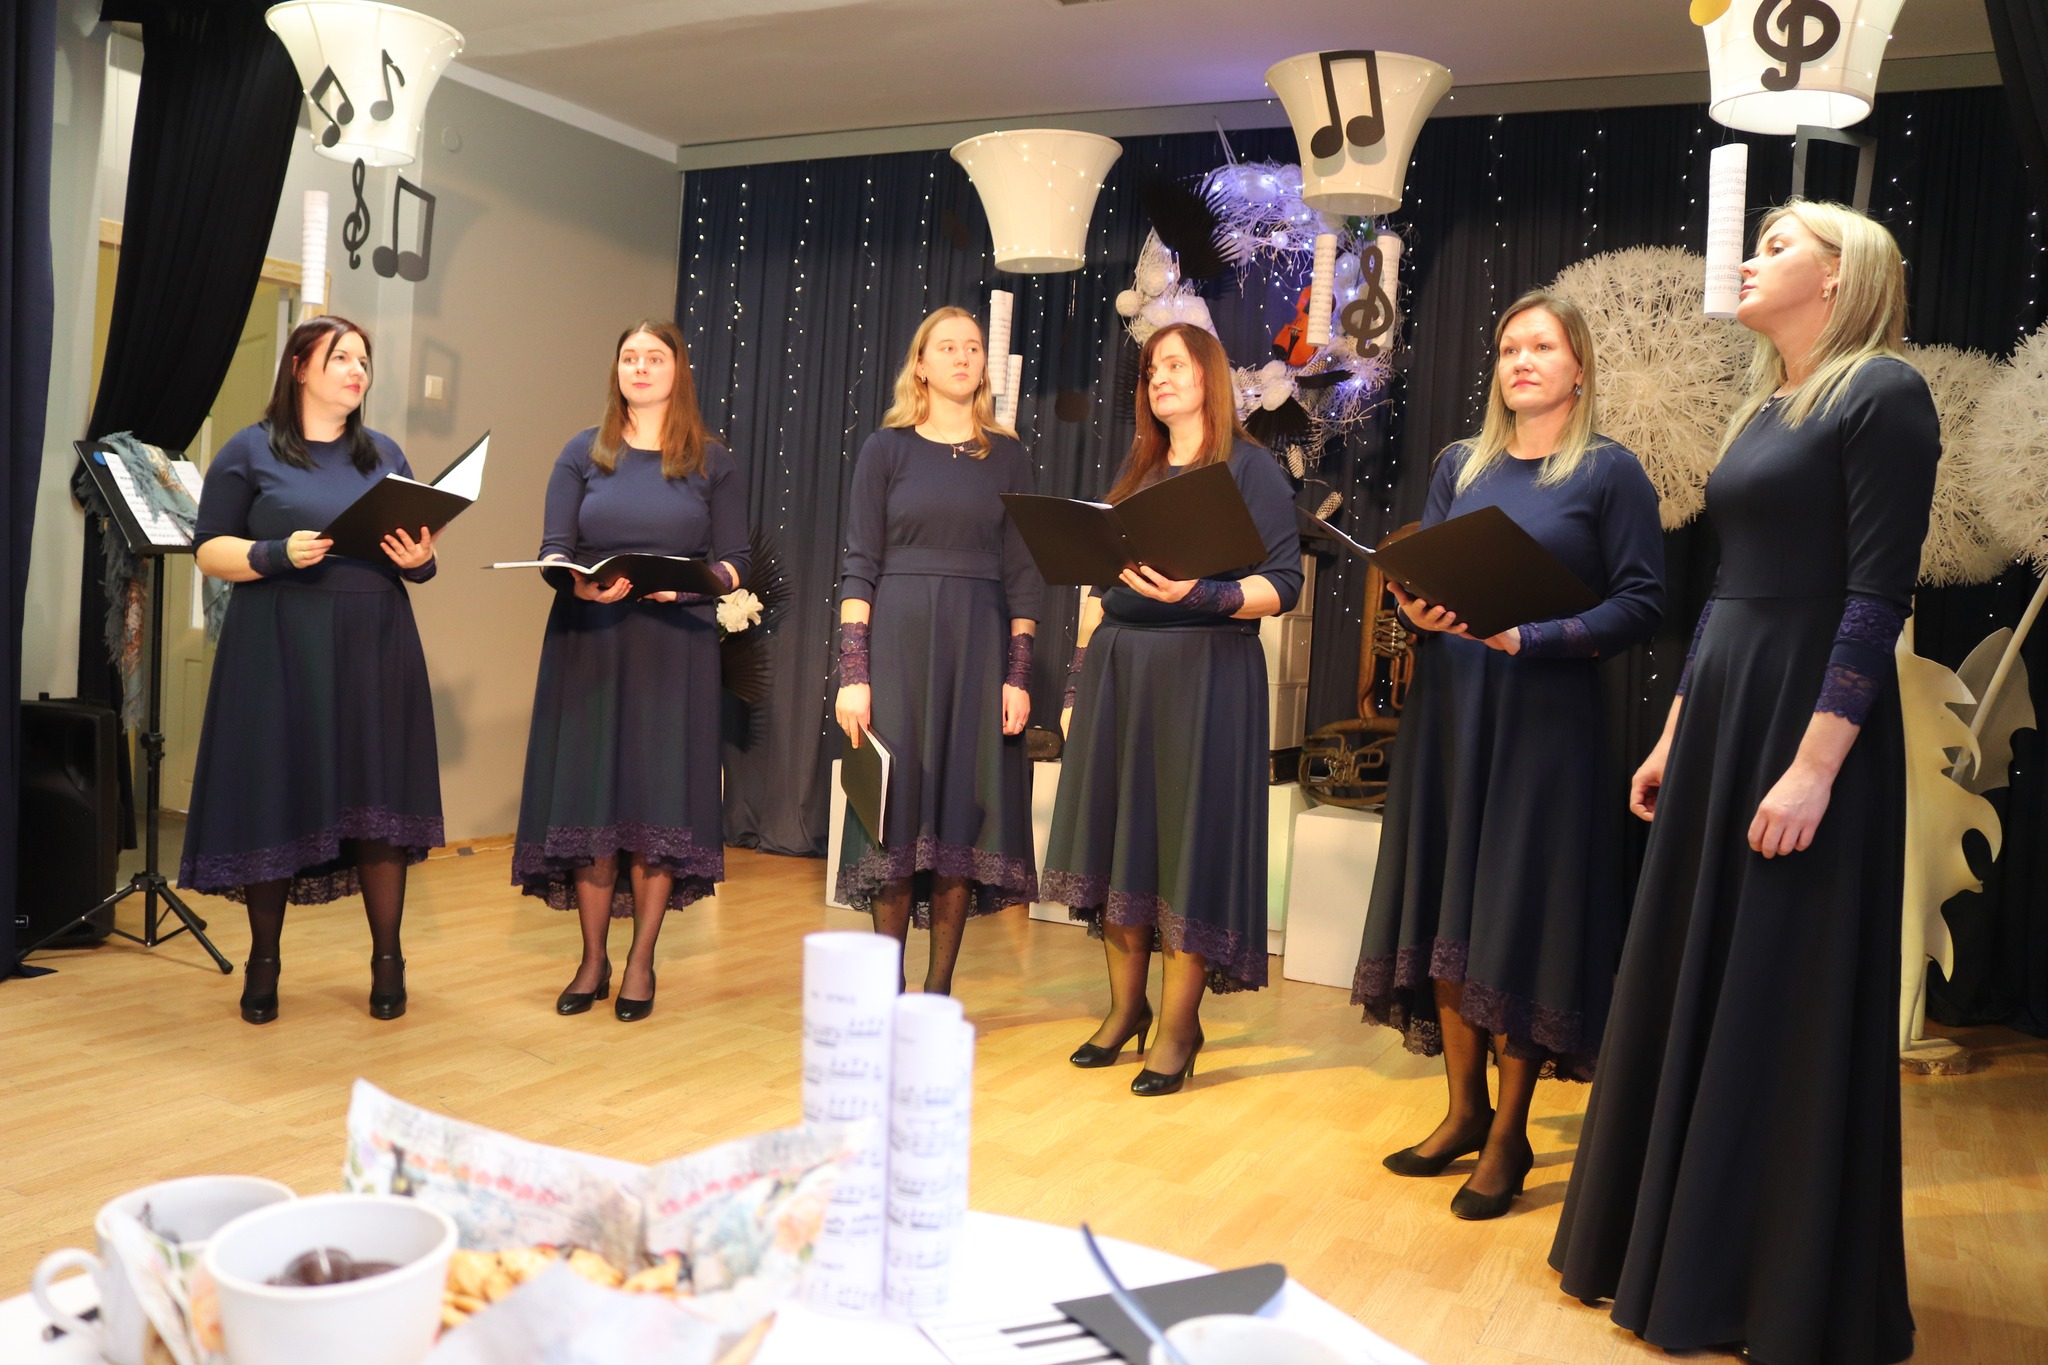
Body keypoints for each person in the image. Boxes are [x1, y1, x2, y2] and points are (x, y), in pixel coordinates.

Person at [1550, 202, 1940, 1365]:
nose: (1750, 258)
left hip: (1805, 716)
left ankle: (1760, 1289)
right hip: (1728, 708)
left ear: (1839, 277)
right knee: (1694, 971)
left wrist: (1814, 769)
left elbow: (1874, 598)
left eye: (1777, 245)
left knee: (1776, 986)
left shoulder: (1881, 394)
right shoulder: (1766, 405)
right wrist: (1675, 735)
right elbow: (1725, 592)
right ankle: (1670, 1253)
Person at [1350, 290, 1664, 1219]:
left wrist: (1538, 636)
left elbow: (1643, 603)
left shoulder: (1610, 472)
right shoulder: (1461, 464)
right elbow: (1429, 581)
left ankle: (1510, 1135)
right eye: (1508, 348)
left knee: (1519, 916)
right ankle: (1462, 1111)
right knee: (1450, 905)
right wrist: (1415, 608)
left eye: (1541, 346)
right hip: (1453, 711)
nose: (1521, 360)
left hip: (1544, 720)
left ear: (1579, 368)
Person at [1042, 321, 1302, 1096]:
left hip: (1206, 676)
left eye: (1176, 365)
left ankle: (1180, 1028)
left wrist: (1205, 593)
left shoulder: (1250, 468)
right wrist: (1078, 679)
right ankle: (1127, 1009)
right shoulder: (1142, 470)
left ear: (1209, 376)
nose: (1159, 377)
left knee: (1187, 848)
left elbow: (1284, 583)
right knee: (1122, 842)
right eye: (1152, 368)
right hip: (1122, 672)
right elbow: (1101, 585)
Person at [181, 316, 443, 1025]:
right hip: (278, 644)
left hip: (374, 642)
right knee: (276, 790)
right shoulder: (249, 450)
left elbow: (415, 551)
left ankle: (388, 961)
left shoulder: (384, 454)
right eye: (341, 357)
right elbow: (208, 550)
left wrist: (421, 560)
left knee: (376, 796)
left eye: (364, 360)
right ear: (300, 366)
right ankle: (264, 963)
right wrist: (274, 553)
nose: (358, 371)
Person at [514, 319, 749, 1022]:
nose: (640, 367)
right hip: (591, 641)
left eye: (654, 357)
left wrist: (690, 589)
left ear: (679, 371)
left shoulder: (711, 460)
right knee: (593, 800)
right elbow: (554, 549)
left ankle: (642, 960)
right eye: (629, 357)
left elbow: (737, 561)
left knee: (658, 802)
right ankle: (593, 959)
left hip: (675, 647)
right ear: (616, 370)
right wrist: (577, 583)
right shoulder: (581, 452)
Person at [832, 306, 1044, 995]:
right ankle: (887, 992)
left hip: (978, 651)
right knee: (896, 820)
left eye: (973, 347)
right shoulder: (885, 449)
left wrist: (1017, 675)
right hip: (897, 649)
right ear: (920, 365)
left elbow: (1025, 575)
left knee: (959, 821)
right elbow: (860, 565)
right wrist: (854, 672)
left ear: (984, 365)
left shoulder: (1008, 455)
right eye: (946, 347)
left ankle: (938, 992)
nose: (962, 357)